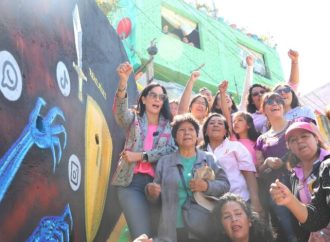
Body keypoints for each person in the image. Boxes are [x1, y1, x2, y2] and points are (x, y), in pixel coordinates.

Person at [111, 62, 176, 239]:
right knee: (142, 235)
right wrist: (123, 81)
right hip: (130, 183)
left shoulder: (170, 127)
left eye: (161, 97)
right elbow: (119, 113)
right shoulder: (134, 119)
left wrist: (141, 156)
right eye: (153, 95)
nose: (157, 100)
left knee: (160, 235)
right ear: (144, 98)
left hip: (159, 185)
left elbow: (170, 150)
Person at [146, 113, 230, 242]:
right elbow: (155, 200)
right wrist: (151, 193)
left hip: (203, 225)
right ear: (175, 137)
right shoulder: (164, 162)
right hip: (172, 228)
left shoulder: (208, 158)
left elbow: (225, 185)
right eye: (181, 130)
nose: (187, 133)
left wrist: (206, 186)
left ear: (197, 135)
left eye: (191, 129)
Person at [270, 122, 330, 242]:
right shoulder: (293, 176)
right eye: (293, 140)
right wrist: (289, 200)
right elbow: (316, 216)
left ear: (316, 139)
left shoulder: (327, 164)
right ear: (289, 147)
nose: (299, 141)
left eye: (304, 136)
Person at [255, 92, 297, 242]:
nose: (275, 103)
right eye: (270, 101)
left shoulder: (296, 125)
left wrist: (284, 160)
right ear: (263, 110)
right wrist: (267, 163)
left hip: (300, 181)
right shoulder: (261, 139)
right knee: (290, 233)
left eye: (278, 100)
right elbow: (258, 170)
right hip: (277, 189)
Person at [200, 113, 262, 215]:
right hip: (211, 205)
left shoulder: (236, 147)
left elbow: (249, 174)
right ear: (205, 131)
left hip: (241, 200)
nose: (216, 125)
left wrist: (255, 200)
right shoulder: (199, 152)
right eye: (211, 123)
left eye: (220, 123)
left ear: (225, 131)